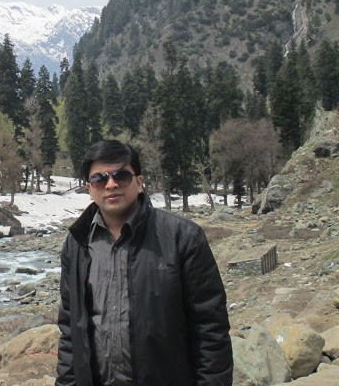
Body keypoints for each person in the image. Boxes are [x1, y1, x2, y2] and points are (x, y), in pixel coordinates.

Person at [55, 140, 233, 386]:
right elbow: (70, 330)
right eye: (99, 179)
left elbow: (211, 328)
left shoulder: (182, 237)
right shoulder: (77, 243)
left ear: (139, 182)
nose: (111, 184)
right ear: (89, 189)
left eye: (121, 176)